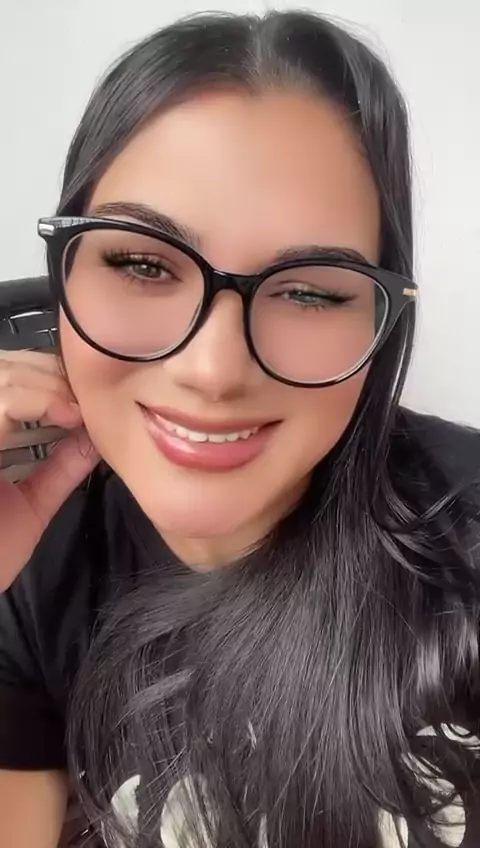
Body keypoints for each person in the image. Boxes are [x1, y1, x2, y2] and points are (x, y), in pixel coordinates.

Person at [0, 9, 479, 848]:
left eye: (311, 290)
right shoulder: (31, 563)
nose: (214, 370)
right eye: (142, 263)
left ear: (382, 321)